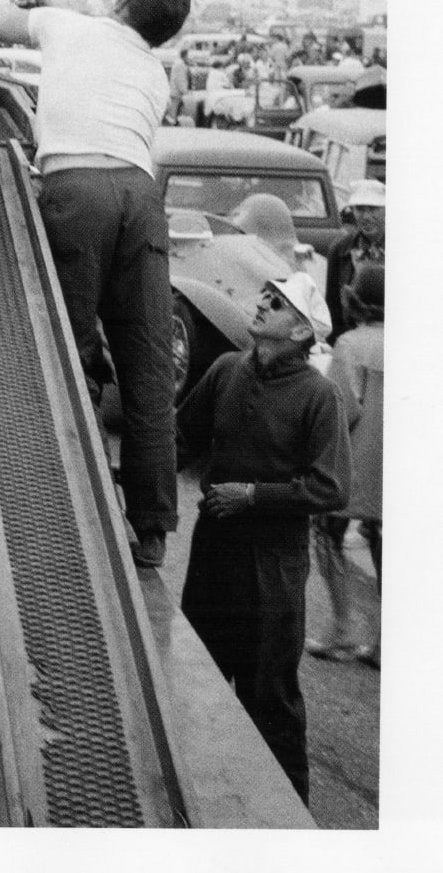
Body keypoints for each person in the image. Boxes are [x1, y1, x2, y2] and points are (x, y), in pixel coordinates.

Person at [0, 0, 192, 567]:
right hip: (140, 196)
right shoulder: (153, 73)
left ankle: (66, 517)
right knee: (148, 369)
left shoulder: (66, 28)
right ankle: (152, 529)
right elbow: (101, 45)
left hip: (75, 190)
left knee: (63, 353)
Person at [177, 271, 348, 806]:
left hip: (271, 566)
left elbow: (332, 486)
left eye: (278, 304)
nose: (263, 303)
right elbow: (181, 437)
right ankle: (198, 808)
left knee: (268, 696)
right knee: (196, 682)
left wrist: (254, 494)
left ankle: (289, 822)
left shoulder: (320, 397)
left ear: (301, 333)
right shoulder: (227, 370)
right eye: (266, 295)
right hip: (213, 552)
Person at [308, 262, 384, 668]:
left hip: (354, 459)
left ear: (356, 302)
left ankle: (342, 630)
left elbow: (343, 409)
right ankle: (384, 641)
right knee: (384, 540)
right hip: (397, 467)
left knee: (326, 532)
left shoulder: (350, 344)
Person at [324, 178, 385, 339]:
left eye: (373, 209)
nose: (366, 216)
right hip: (351, 336)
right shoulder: (340, 249)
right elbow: (333, 304)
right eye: (360, 209)